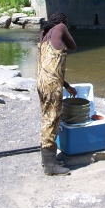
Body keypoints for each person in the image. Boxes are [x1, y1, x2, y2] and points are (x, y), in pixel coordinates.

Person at [37, 12, 77, 176]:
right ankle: (50, 167)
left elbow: (50, 66)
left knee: (47, 118)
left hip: (42, 82)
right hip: (52, 84)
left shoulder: (43, 34)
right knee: (52, 120)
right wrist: (65, 28)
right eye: (66, 23)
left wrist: (66, 85)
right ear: (63, 22)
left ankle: (47, 160)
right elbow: (73, 46)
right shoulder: (60, 27)